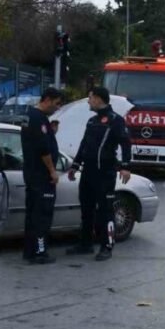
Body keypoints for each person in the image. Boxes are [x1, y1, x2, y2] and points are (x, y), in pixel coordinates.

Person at [66, 87, 132, 261]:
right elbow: (84, 144)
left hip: (105, 172)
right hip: (88, 171)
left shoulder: (115, 120)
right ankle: (85, 244)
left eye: (90, 98)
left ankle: (106, 246)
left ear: (97, 98)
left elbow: (126, 143)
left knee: (105, 210)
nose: (88, 101)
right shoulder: (91, 121)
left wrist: (125, 166)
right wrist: (75, 165)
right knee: (86, 209)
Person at [21, 87, 65, 264]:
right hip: (41, 175)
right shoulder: (38, 119)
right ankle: (40, 251)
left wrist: (50, 131)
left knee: (32, 214)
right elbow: (42, 149)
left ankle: (30, 251)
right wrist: (52, 171)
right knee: (42, 215)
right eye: (56, 103)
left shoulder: (31, 116)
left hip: (32, 173)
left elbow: (37, 140)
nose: (57, 108)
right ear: (47, 99)